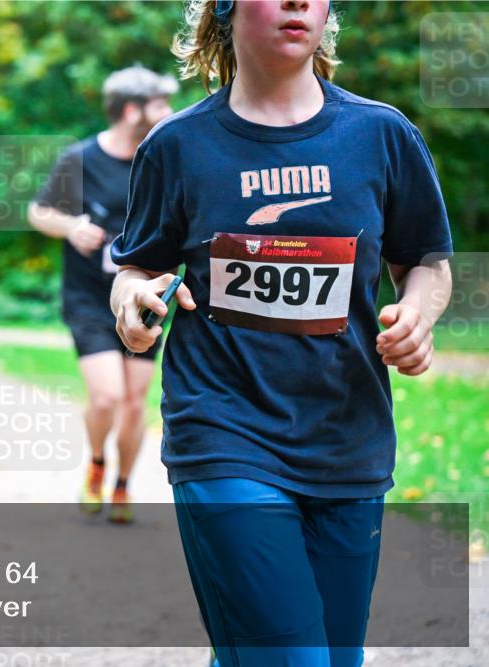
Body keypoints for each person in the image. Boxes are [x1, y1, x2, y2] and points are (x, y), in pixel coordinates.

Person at [110, 1, 454, 665]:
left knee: (321, 655)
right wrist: (133, 302)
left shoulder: (381, 135)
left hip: (347, 440)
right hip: (223, 431)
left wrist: (418, 312)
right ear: (225, 8)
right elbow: (137, 268)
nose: (299, 0)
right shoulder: (177, 147)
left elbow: (426, 262)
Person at [28, 65, 179, 523]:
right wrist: (71, 225)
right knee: (107, 397)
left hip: (146, 297)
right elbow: (38, 211)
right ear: (131, 110)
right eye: (158, 104)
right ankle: (96, 464)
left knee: (135, 400)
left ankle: (121, 485)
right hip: (89, 298)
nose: (169, 112)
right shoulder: (79, 160)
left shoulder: (163, 157)